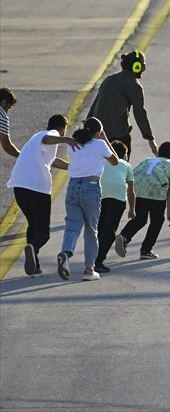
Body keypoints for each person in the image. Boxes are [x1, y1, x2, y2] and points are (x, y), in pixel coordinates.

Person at [5, 113, 76, 276]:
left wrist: (72, 167)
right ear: (62, 129)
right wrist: (65, 140)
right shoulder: (51, 135)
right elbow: (48, 139)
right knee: (43, 232)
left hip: (19, 186)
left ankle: (34, 264)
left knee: (33, 225)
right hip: (37, 188)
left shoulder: (36, 138)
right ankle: (33, 248)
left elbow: (52, 161)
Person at [56, 118, 119, 281]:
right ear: (98, 132)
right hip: (91, 187)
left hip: (72, 187)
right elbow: (115, 161)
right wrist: (104, 138)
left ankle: (66, 252)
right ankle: (89, 270)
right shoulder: (100, 144)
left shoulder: (74, 144)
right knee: (91, 230)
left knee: (72, 226)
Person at [115, 141, 170, 260]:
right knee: (157, 220)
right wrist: (169, 212)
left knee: (140, 218)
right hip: (156, 191)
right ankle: (146, 250)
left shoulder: (147, 161)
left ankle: (124, 236)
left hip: (138, 189)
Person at [88, 50, 158, 155]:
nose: (144, 68)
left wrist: (86, 129)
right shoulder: (134, 85)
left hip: (97, 135)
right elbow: (139, 113)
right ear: (136, 66)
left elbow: (95, 104)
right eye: (143, 65)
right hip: (117, 136)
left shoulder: (109, 79)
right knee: (121, 166)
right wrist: (150, 138)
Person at [94, 139, 136, 273]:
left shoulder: (101, 162)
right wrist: (132, 209)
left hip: (99, 198)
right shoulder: (126, 165)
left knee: (99, 229)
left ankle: (92, 259)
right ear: (125, 155)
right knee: (109, 232)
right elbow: (131, 191)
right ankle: (98, 261)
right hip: (117, 200)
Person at [0, 87, 16, 157]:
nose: (7, 112)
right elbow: (7, 146)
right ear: (3, 103)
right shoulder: (2, 115)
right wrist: (22, 155)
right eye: (8, 108)